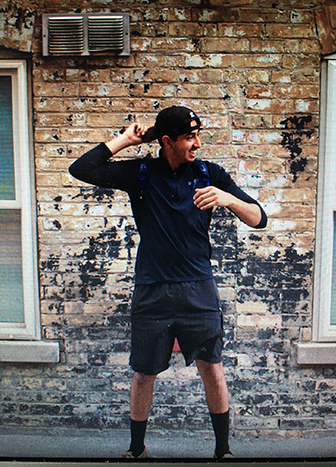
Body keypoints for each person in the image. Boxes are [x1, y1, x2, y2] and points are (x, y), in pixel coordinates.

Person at [69, 106, 267, 459]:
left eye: (197, 135)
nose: (197, 144)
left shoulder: (209, 174)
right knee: (144, 374)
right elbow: (82, 169)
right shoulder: (141, 173)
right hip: (152, 288)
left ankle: (223, 451)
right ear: (167, 141)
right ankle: (136, 450)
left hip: (198, 287)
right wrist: (126, 140)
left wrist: (227, 199)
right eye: (189, 137)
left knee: (212, 369)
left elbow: (259, 218)